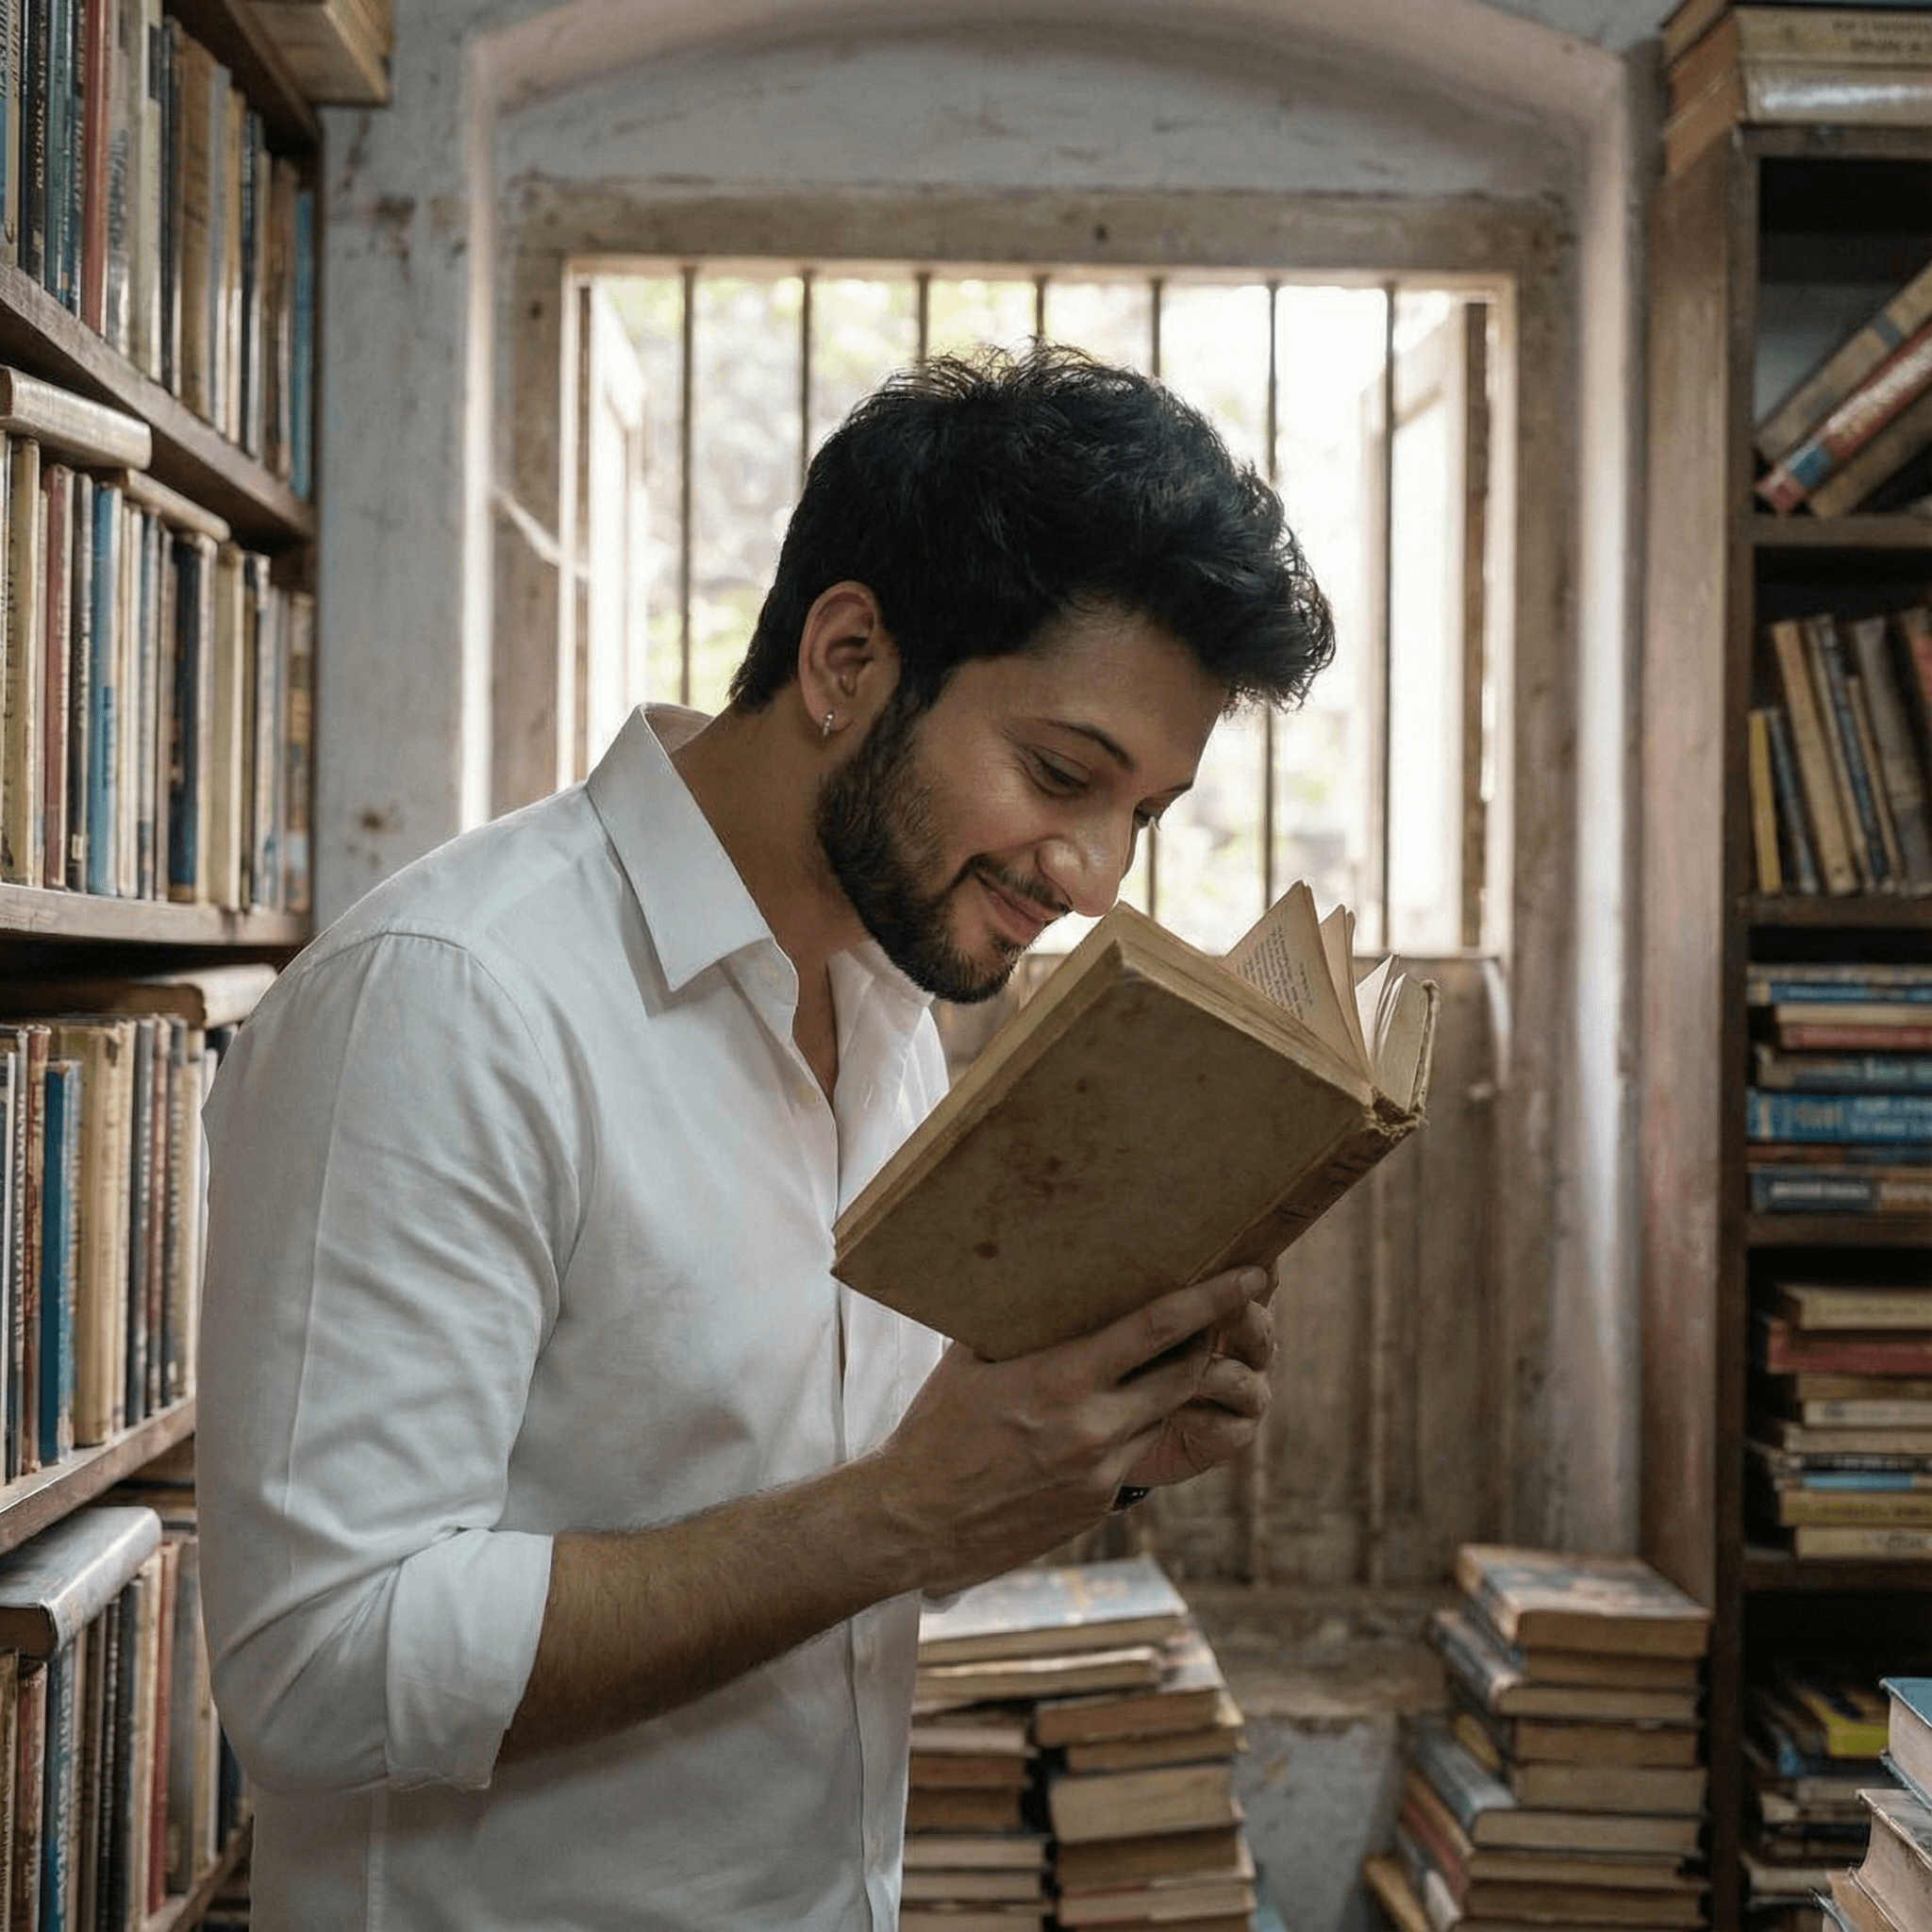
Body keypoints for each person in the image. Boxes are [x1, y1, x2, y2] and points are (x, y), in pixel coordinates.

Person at [195, 342, 1336, 1930]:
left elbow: (821, 1542)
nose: (1094, 878)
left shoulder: (887, 1006)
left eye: (1144, 812)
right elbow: (316, 1667)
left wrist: (1058, 1463)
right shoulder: (452, 1001)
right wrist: (905, 1512)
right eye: (1063, 773)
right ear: (850, 657)